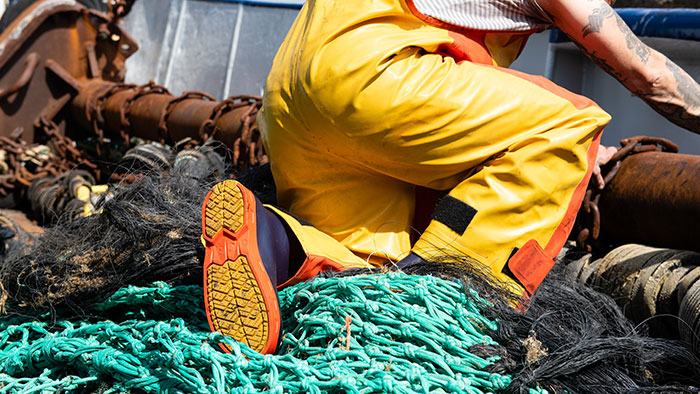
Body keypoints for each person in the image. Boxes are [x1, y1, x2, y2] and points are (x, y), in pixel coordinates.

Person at [200, 0, 700, 355]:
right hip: (373, 80)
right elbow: (650, 75)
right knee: (566, 126)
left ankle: (274, 245)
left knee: (365, 268)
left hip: (293, 97)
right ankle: (445, 303)